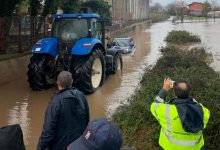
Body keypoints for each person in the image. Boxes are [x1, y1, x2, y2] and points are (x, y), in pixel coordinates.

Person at [150, 78, 210, 150]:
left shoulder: (166, 111)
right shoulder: (202, 110)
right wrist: (187, 95)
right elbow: (195, 103)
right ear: (189, 92)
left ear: (174, 93)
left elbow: (154, 105)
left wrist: (164, 89)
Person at [37, 71, 90, 150]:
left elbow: (48, 131)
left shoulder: (55, 102)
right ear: (72, 81)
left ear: (58, 83)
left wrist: (40, 147)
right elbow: (87, 121)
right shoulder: (81, 96)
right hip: (78, 145)